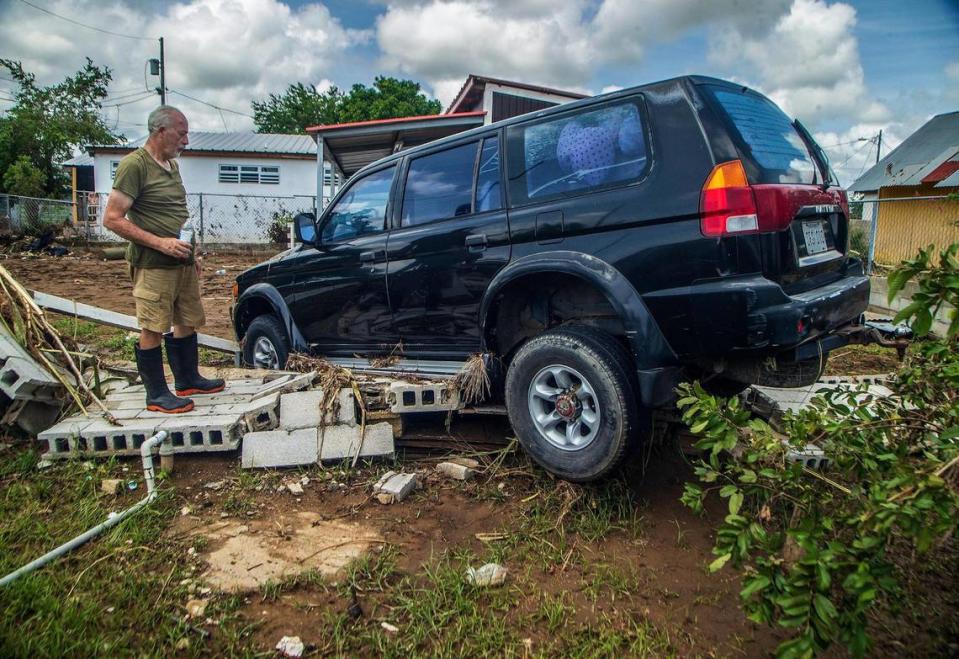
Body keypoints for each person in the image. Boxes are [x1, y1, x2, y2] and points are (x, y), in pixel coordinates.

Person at [103, 105, 224, 413]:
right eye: (181, 134)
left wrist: (191, 253)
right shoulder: (135, 165)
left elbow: (175, 214)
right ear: (161, 131)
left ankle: (187, 379)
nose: (185, 141)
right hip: (153, 263)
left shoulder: (172, 164)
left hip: (181, 261)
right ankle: (156, 393)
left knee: (187, 318)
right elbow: (113, 218)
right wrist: (161, 244)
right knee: (153, 325)